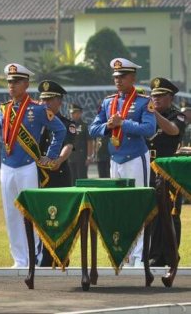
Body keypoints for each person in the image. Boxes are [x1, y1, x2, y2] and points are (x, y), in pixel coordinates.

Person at [0, 63, 65, 268]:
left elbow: (59, 131)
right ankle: (19, 259)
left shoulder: (37, 109)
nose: (11, 85)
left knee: (31, 213)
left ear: (26, 84)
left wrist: (49, 156)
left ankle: (35, 257)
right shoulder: (4, 109)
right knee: (11, 214)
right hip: (7, 166)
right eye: (9, 82)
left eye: (16, 82)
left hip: (27, 166)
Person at [89, 58, 156, 267]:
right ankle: (123, 253)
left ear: (132, 78)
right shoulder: (109, 102)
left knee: (137, 204)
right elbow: (93, 129)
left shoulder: (145, 102)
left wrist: (123, 123)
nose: (118, 80)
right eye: (115, 77)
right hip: (115, 158)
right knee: (118, 206)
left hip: (136, 157)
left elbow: (149, 129)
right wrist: (108, 127)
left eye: (122, 76)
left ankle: (138, 256)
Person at [146, 77, 187, 267]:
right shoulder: (147, 114)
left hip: (170, 173)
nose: (156, 99)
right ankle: (154, 255)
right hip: (149, 169)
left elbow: (171, 131)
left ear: (170, 97)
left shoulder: (177, 115)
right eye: (153, 95)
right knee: (152, 214)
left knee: (171, 214)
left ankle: (171, 255)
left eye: (160, 95)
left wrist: (154, 115)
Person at [36, 80, 76, 267]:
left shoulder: (67, 123)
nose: (44, 103)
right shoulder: (35, 123)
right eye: (42, 99)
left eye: (49, 99)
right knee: (40, 217)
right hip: (37, 176)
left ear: (59, 101)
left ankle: (61, 257)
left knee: (60, 218)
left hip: (58, 174)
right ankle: (42, 258)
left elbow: (67, 145)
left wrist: (58, 160)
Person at [68, 104, 94, 184]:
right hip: (70, 157)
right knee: (72, 179)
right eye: (71, 113)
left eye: (75, 113)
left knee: (82, 179)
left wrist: (89, 157)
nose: (73, 115)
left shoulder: (84, 126)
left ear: (80, 113)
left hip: (81, 157)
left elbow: (89, 142)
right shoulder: (68, 125)